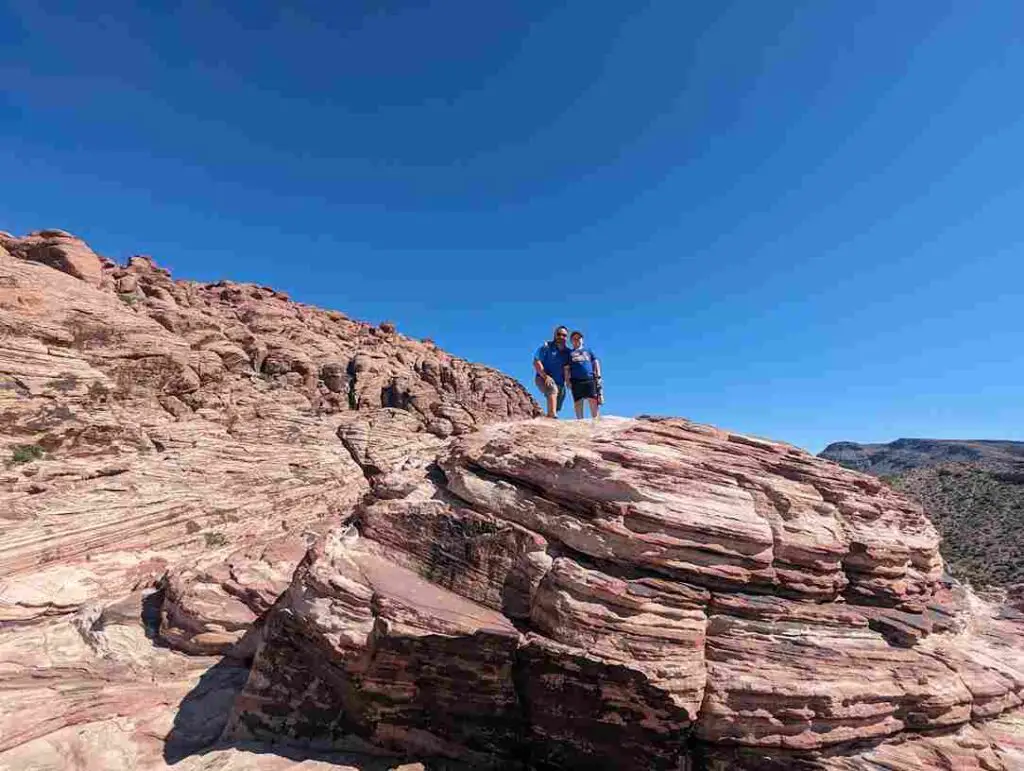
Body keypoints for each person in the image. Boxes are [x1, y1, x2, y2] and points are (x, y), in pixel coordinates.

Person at [533, 326, 571, 418]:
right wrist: (545, 376)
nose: (561, 337)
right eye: (559, 334)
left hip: (560, 383)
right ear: (554, 335)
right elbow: (536, 362)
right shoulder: (546, 347)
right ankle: (552, 416)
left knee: (558, 402)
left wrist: (568, 382)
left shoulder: (568, 352)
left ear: (567, 337)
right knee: (552, 388)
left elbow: (568, 368)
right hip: (542, 377)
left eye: (564, 335)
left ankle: (549, 415)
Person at [564, 330, 601, 419]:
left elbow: (595, 362)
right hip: (576, 380)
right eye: (574, 339)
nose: (577, 340)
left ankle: (596, 420)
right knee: (578, 402)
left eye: (579, 338)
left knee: (593, 400)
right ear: (571, 341)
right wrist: (567, 380)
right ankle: (580, 421)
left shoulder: (588, 350)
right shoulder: (569, 353)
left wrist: (598, 375)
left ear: (582, 340)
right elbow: (566, 368)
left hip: (589, 378)